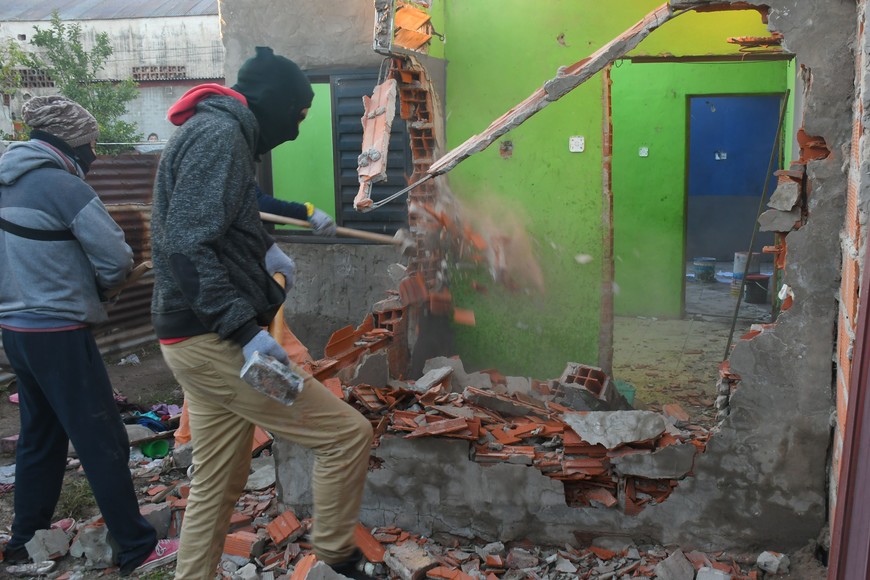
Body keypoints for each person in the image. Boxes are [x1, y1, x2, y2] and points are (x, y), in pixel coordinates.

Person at [151, 47, 372, 580]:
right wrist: (243, 330)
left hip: (195, 344)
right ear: (274, 103)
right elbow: (186, 244)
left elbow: (233, 207)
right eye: (298, 115)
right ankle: (339, 554)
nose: (297, 129)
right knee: (346, 435)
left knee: (218, 482)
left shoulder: (220, 134)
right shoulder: (219, 137)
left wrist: (265, 247)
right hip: (222, 348)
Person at [0, 96, 178, 575]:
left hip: (15, 331)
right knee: (102, 439)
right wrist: (105, 286)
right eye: (92, 143)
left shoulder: (4, 178)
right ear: (71, 142)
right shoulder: (64, 187)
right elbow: (116, 259)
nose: (95, 152)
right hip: (59, 331)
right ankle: (138, 548)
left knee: (41, 436)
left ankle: (22, 543)